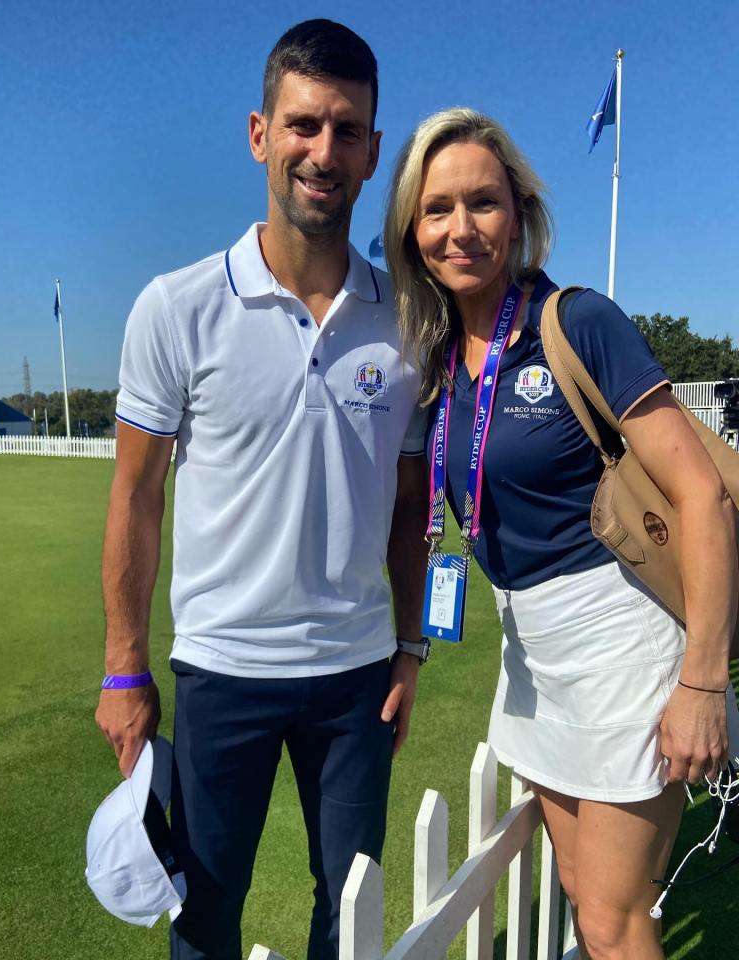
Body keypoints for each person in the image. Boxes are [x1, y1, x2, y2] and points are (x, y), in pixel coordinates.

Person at [95, 20, 429, 960]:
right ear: (260, 134)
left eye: (347, 130)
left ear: (371, 150)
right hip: (222, 672)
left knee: (350, 912)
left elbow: (411, 506)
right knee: (204, 915)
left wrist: (408, 645)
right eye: (304, 125)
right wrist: (125, 670)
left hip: (355, 676)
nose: (324, 152)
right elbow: (135, 500)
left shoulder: (407, 319)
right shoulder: (177, 306)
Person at [384, 107, 738, 960]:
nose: (461, 229)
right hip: (530, 650)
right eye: (437, 209)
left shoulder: (575, 321)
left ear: (520, 212)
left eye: (483, 202)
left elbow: (704, 495)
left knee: (617, 927)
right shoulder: (439, 356)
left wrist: (699, 684)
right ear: (411, 230)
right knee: (586, 900)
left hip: (623, 642)